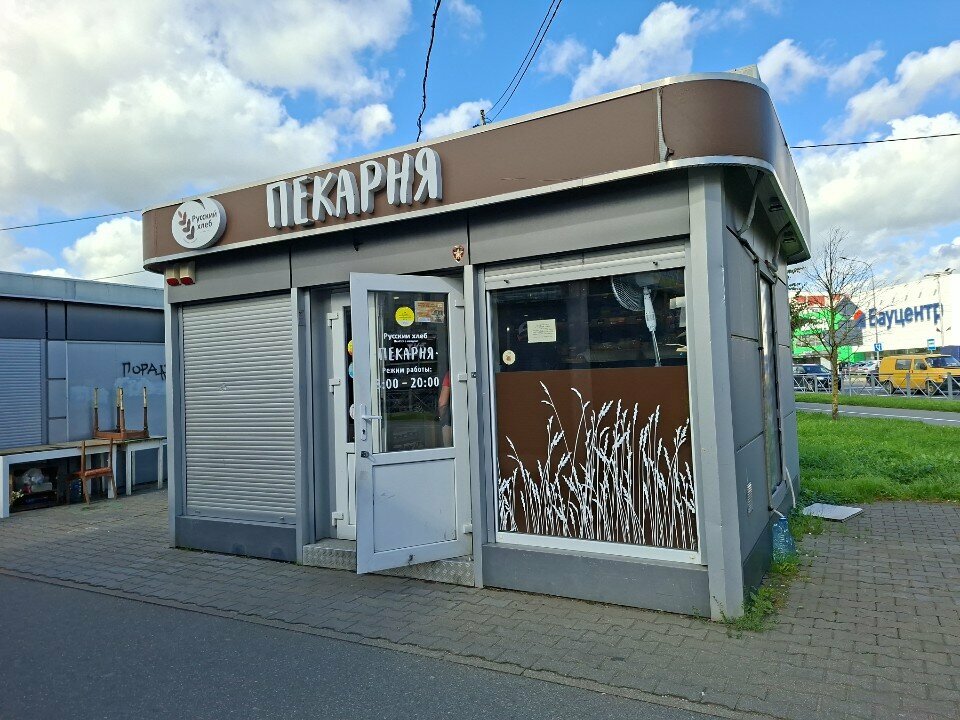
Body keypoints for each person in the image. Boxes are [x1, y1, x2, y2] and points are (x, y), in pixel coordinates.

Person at [437, 370, 452, 446]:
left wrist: (441, 418)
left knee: (449, 449)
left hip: (450, 421)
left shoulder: (450, 374)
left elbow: (442, 403)